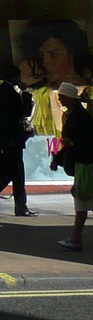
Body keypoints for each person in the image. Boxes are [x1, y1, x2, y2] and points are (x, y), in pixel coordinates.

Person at [0, 67, 36, 217]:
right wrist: (25, 93)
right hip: (11, 139)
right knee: (17, 172)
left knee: (13, 171)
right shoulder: (9, 93)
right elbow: (23, 111)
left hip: (6, 139)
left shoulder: (0, 91)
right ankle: (17, 204)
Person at [52, 82, 93, 252]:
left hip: (85, 165)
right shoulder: (75, 114)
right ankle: (75, 238)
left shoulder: (79, 117)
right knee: (82, 202)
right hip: (82, 164)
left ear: (69, 98)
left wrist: (71, 145)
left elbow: (83, 140)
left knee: (81, 201)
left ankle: (75, 239)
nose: (59, 99)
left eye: (61, 96)